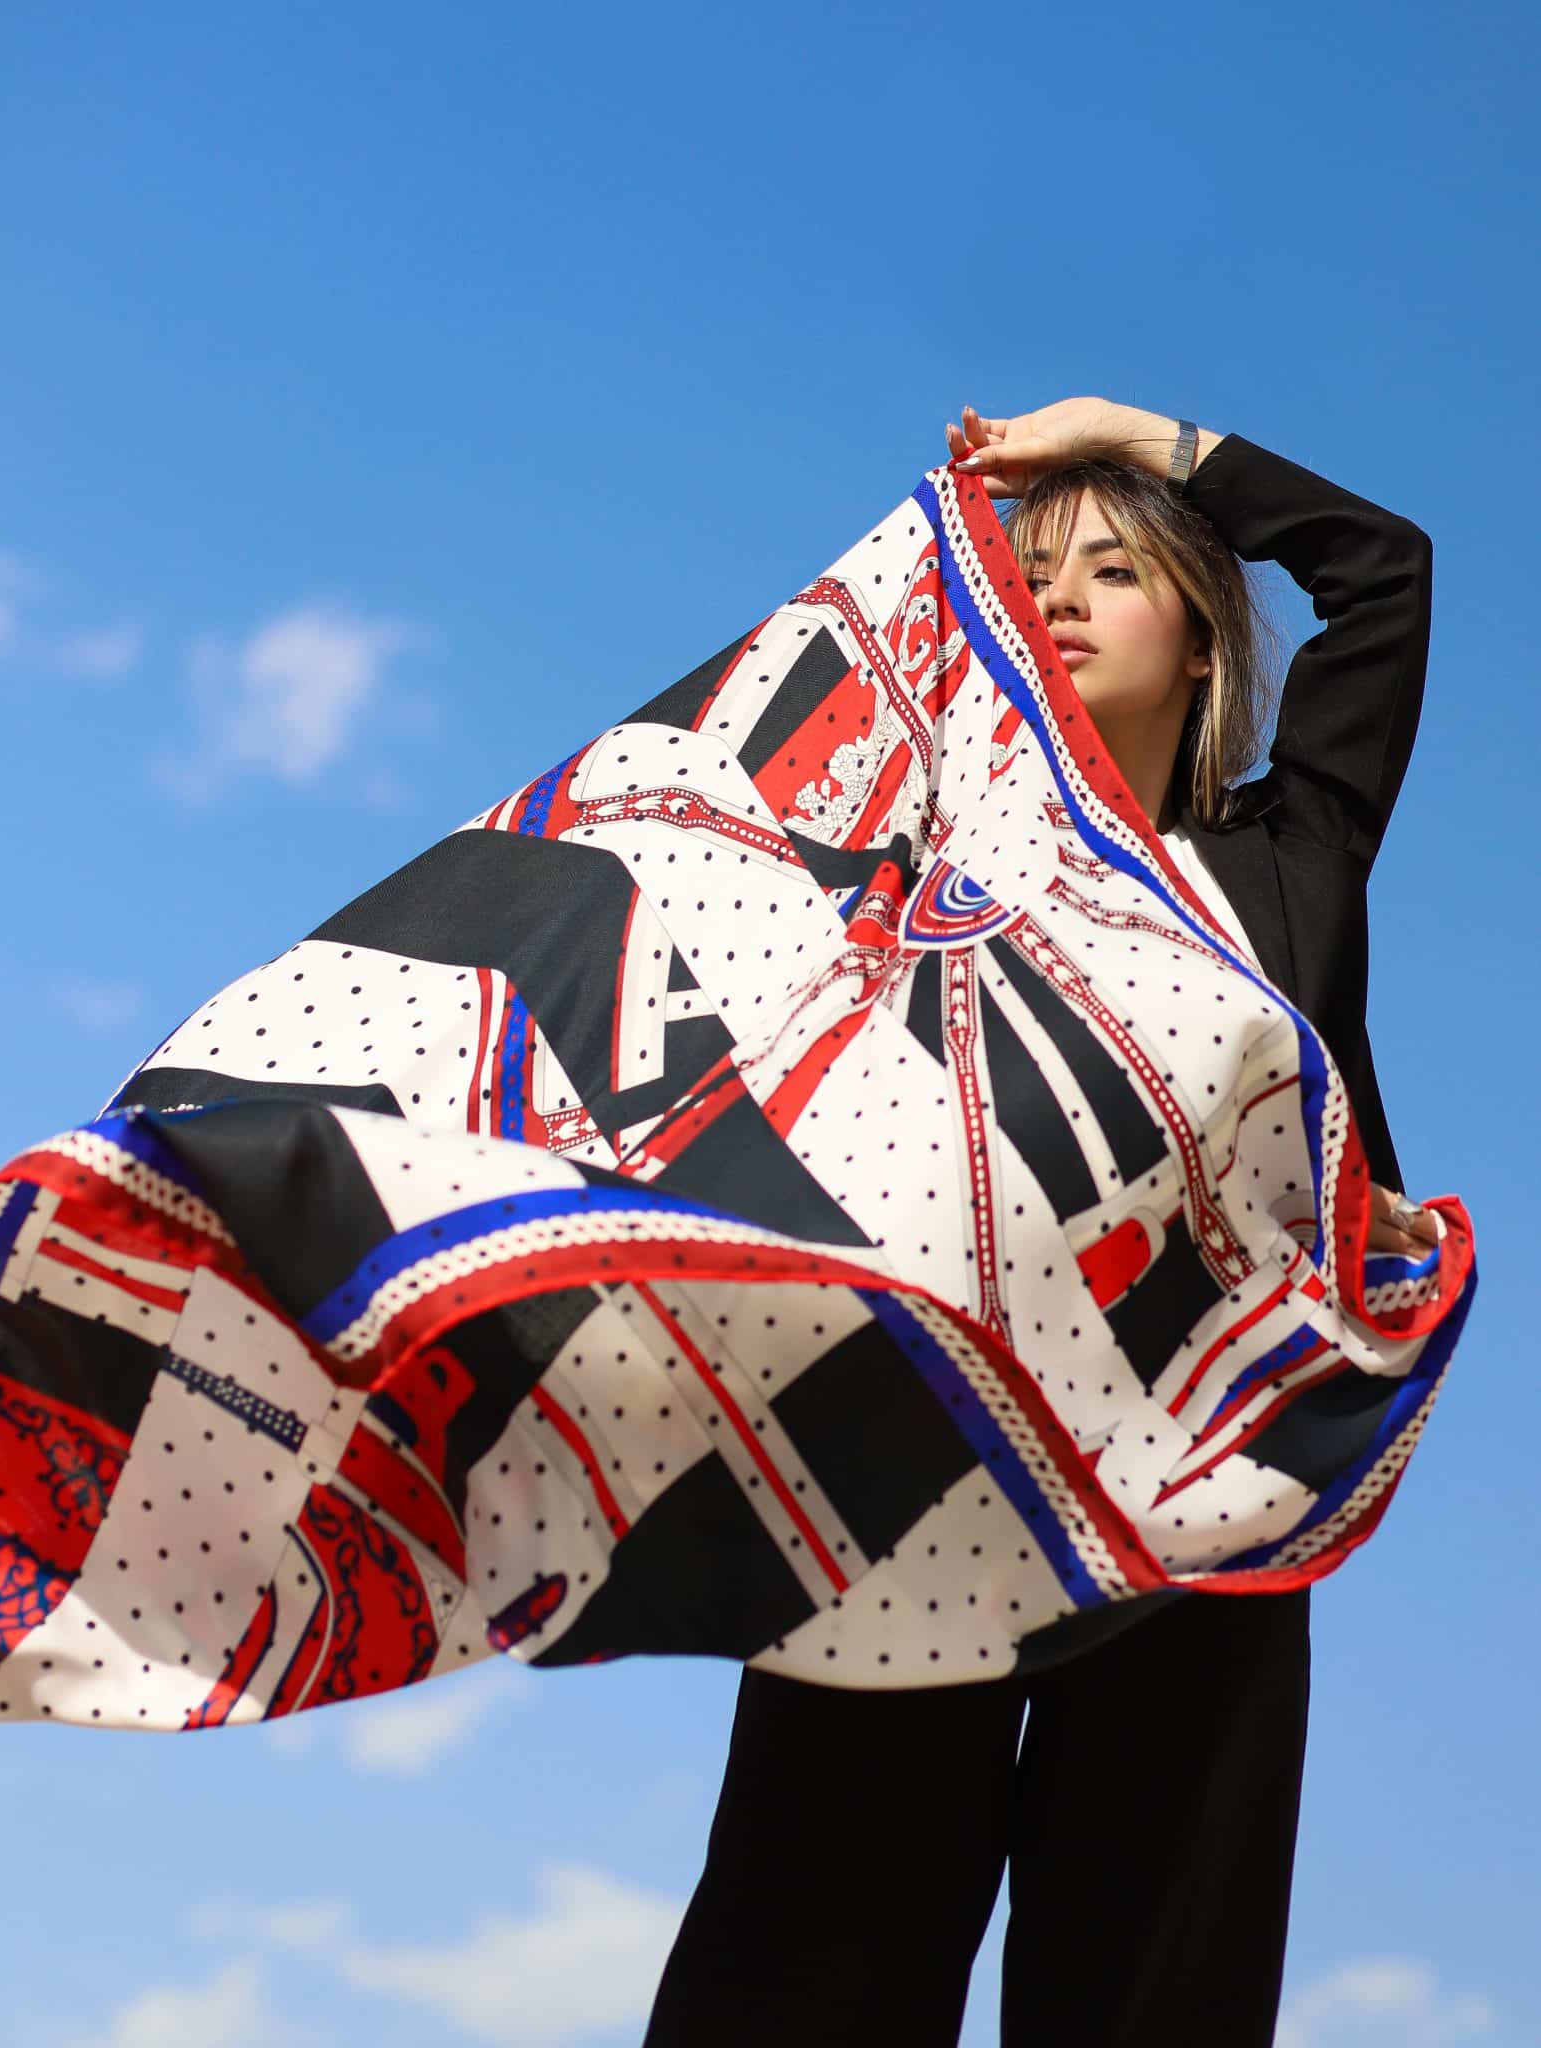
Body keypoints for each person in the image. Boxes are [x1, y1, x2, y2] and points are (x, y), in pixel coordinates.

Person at [641, 396, 1439, 2048]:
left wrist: (1136, 438)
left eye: (1113, 570)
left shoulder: (1284, 862)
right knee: (814, 1933)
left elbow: (1381, 570)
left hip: (1210, 1463)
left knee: (1153, 1953)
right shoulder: (923, 870)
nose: (1060, 598)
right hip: (920, 1447)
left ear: (1205, 645)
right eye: (1032, 575)